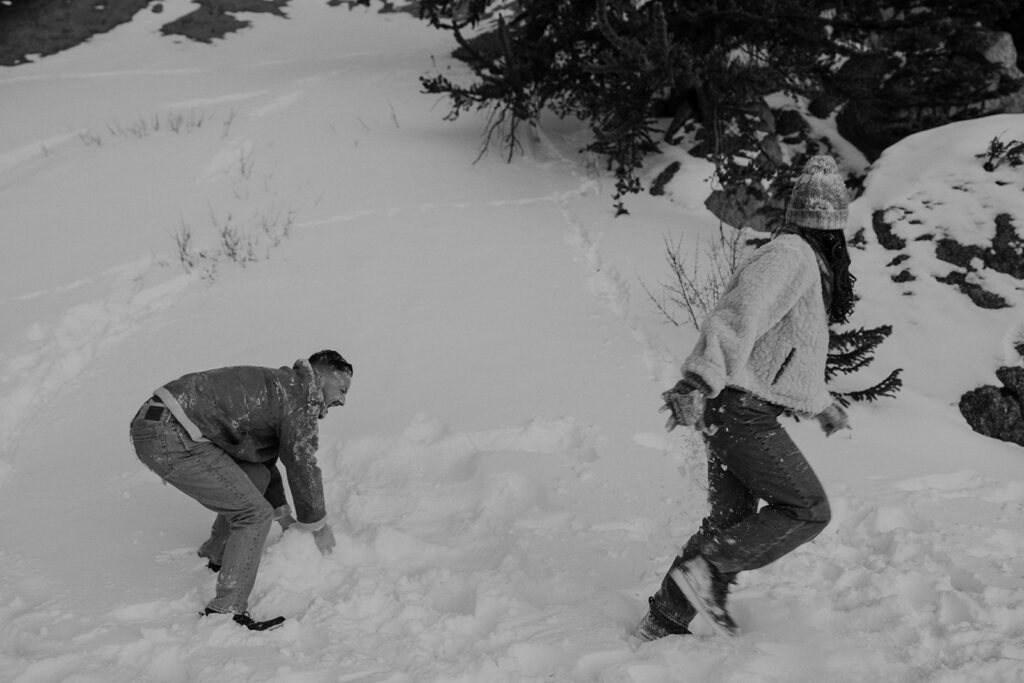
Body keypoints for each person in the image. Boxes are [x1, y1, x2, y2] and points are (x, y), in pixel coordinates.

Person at [635, 155, 855, 640]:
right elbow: (737, 315)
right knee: (807, 508)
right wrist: (698, 379)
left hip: (733, 407)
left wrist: (822, 405)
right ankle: (708, 569)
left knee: (730, 520)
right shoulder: (790, 255)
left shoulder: (803, 260)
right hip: (739, 410)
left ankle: (664, 620)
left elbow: (783, 354)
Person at [129, 350, 353, 631]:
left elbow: (259, 461)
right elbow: (301, 463)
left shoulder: (282, 388)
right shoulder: (300, 399)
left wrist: (284, 516)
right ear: (320, 376)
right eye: (342, 389)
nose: (343, 400)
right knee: (255, 514)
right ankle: (226, 609)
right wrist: (317, 526)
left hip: (158, 419)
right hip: (169, 431)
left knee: (255, 477)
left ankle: (216, 553)